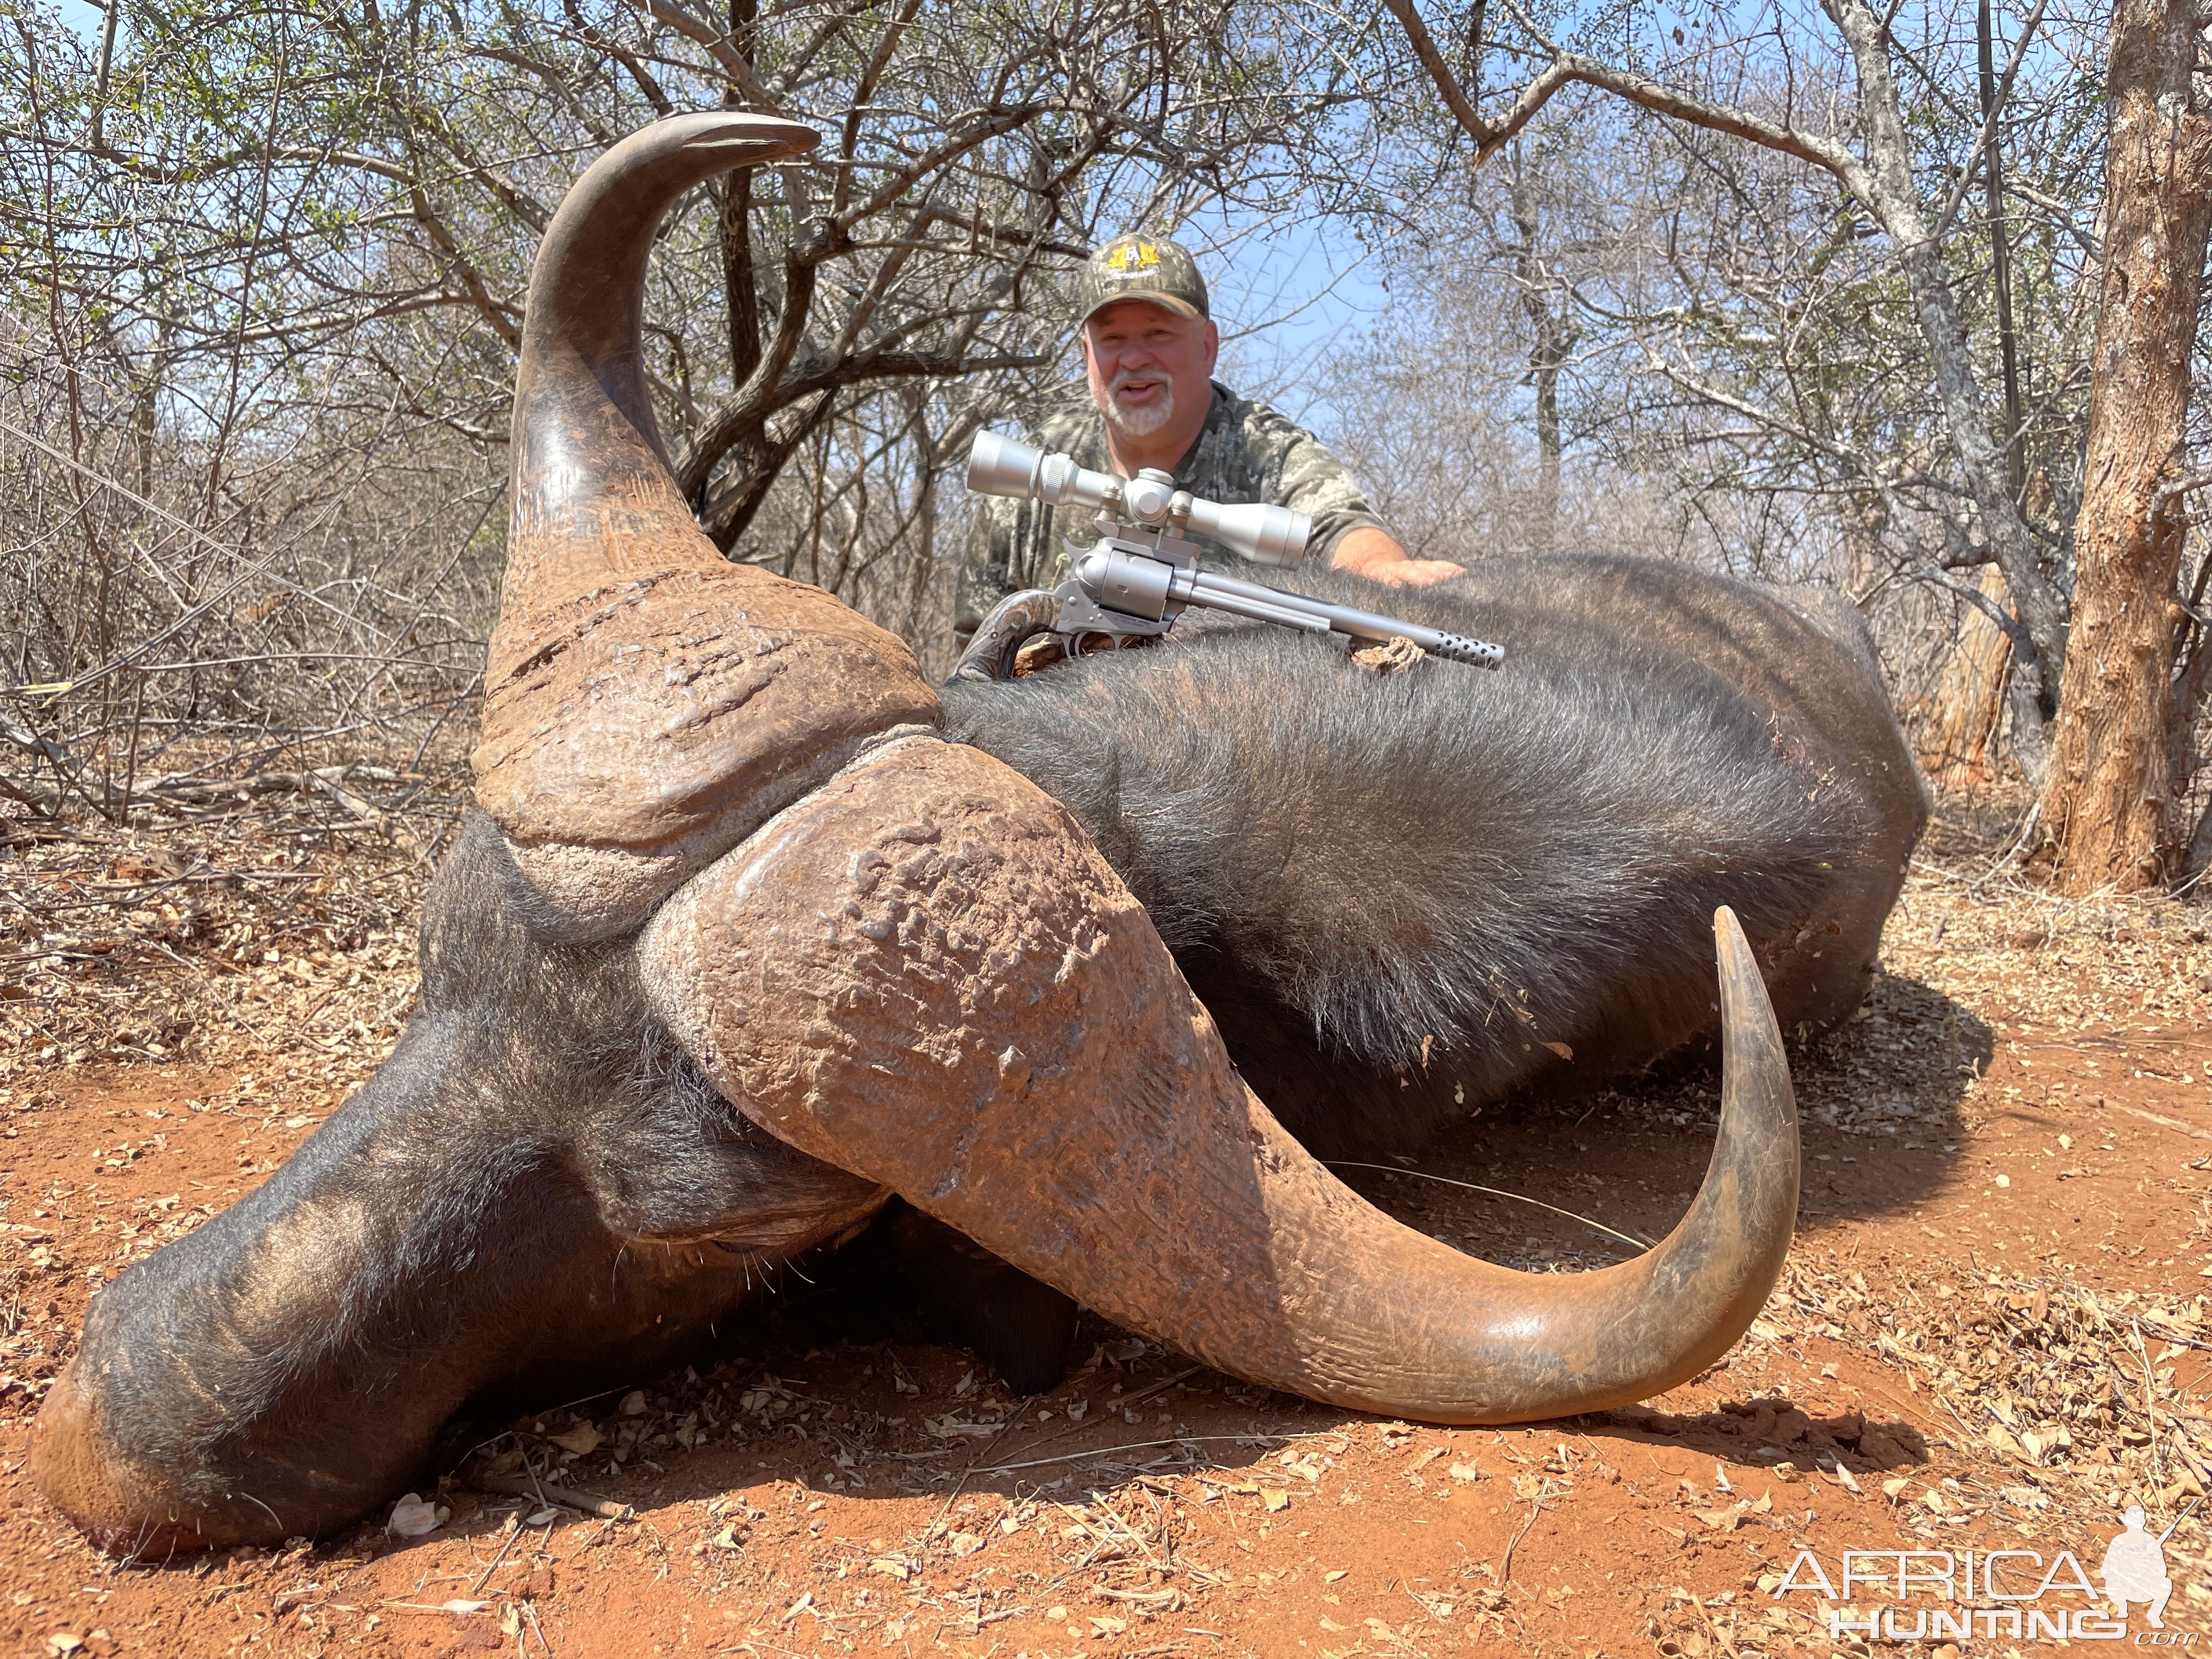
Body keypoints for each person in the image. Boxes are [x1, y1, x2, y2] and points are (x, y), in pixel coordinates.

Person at [955, 234, 1464, 644]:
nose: (1133, 360)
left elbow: (1338, 526)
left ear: (1208, 346)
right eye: (1113, 340)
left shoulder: (1266, 448)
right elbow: (976, 643)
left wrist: (1381, 571)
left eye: (1157, 334)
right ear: (1086, 354)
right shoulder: (1036, 471)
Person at [2100, 1505, 2172, 1628]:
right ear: (2127, 1522)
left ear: (2143, 1522)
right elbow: (2106, 1568)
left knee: (2167, 1583)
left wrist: (2146, 1570)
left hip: (2143, 1589)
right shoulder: (2119, 1540)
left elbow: (2162, 1570)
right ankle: (2122, 1607)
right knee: (2112, 1580)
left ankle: (2154, 1615)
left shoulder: (2151, 1542)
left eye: (2138, 1522)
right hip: (2122, 1587)